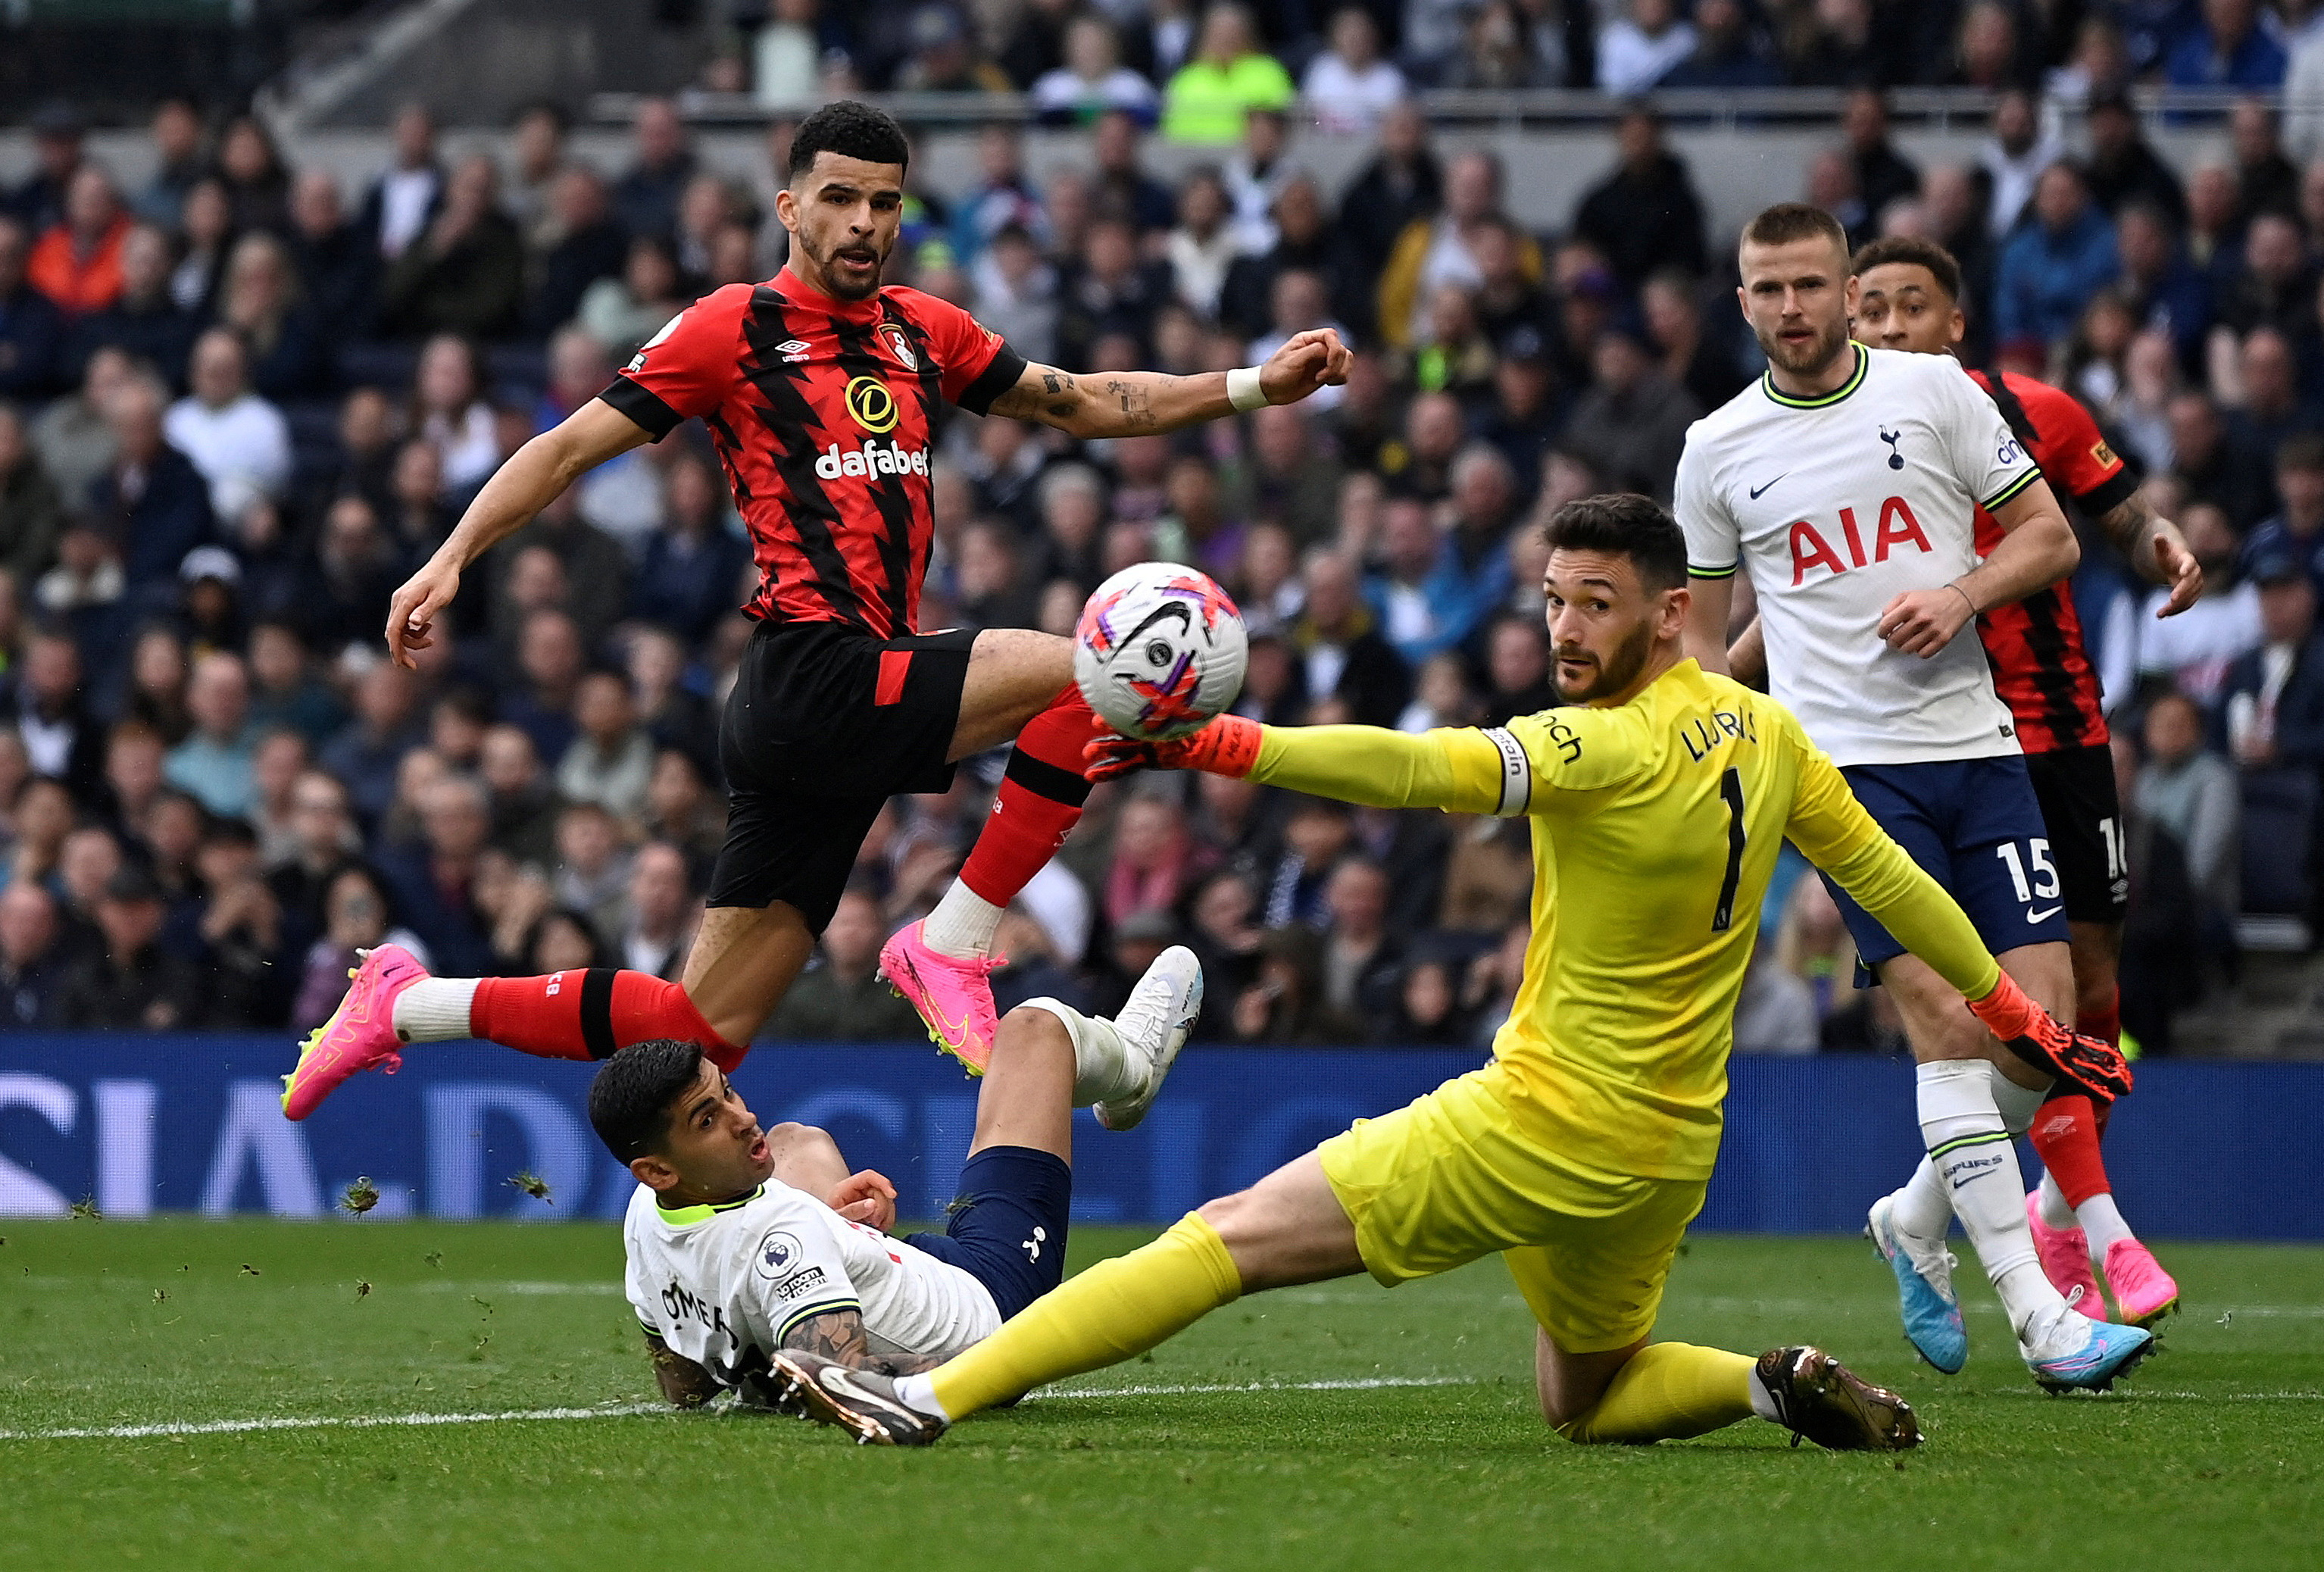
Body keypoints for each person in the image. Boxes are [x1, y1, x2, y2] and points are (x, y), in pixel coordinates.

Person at [768, 495, 2142, 1452]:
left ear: (1671, 613)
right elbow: (1892, 884)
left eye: (1595, 608)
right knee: (1585, 1400)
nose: (1563, 632)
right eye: (1551, 601)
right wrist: (2014, 1008)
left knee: (1223, 1239)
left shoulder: (1595, 747)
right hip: (1667, 1148)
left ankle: (931, 1397)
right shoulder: (1763, 732)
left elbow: (1422, 768)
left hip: (1541, 1118)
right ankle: (1762, 1387)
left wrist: (1224, 746)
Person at [282, 100, 1350, 1122]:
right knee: (1102, 671)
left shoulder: (924, 331)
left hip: (839, 706)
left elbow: (1082, 398)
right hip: (813, 672)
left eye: (885, 204)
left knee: (696, 1029)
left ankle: (406, 1002)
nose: (864, 224)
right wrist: (451, 555)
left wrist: (1254, 383)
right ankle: (953, 940)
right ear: (790, 206)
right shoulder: (731, 328)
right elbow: (565, 446)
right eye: (840, 199)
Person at [1676, 204, 2154, 1386]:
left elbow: (2053, 539)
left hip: (1984, 752)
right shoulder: (1716, 447)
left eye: (1808, 284)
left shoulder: (1938, 395)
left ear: (1847, 289)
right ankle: (2046, 1320)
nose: (1789, 307)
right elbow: (1698, 648)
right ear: (1741, 303)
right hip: (1843, 776)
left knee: (2038, 1037)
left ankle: (1912, 1214)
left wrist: (1960, 593)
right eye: (1765, 288)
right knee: (1948, 1020)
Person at [1845, 235, 2196, 1327]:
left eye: (1914, 308)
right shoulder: (1824, 444)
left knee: (2088, 997)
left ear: (1955, 324)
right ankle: (2095, 1226)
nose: (1894, 328)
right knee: (2001, 1013)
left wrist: (2165, 544)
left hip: (2058, 734)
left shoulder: (2036, 408)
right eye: (1877, 311)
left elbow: (2118, 517)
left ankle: (1988, 1204)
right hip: (1926, 748)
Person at [600, 943, 1201, 1405]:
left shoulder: (644, 1216)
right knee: (1038, 1027)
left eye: (728, 1092)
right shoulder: (782, 1231)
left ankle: (839, 1256)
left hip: (895, 1271)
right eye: (708, 1119)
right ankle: (1132, 1068)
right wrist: (1024, 1353)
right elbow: (845, 1382)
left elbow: (683, 1384)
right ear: (656, 1168)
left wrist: (829, 1241)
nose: (743, 1116)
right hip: (985, 1302)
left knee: (792, 1141)